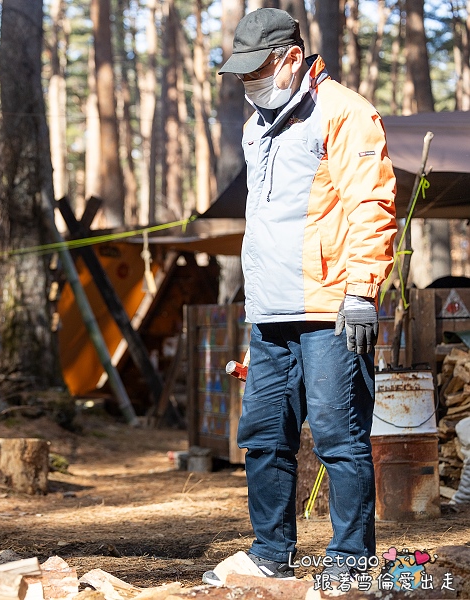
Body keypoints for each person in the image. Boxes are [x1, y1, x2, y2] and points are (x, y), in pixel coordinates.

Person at [202, 8, 397, 587]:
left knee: (339, 438)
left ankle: (352, 564)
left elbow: (371, 205)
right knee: (263, 437)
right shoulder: (256, 122)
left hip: (330, 309)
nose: (247, 81)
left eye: (255, 69)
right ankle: (270, 554)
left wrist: (363, 291)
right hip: (269, 314)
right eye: (239, 72)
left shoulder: (345, 111)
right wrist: (253, 301)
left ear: (289, 57)